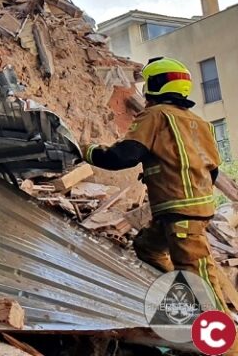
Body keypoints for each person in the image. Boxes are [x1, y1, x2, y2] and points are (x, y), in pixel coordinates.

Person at [81, 57, 228, 310]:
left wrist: (86, 151)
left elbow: (123, 156)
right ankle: (179, 303)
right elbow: (212, 172)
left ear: (155, 85)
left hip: (181, 214)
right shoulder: (201, 124)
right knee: (147, 247)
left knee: (201, 284)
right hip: (186, 211)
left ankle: (223, 345)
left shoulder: (155, 115)